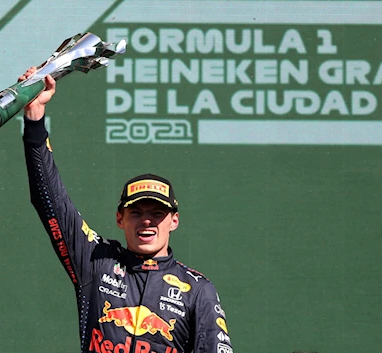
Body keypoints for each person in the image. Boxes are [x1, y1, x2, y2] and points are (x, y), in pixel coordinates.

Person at [20, 67, 233, 353]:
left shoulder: (197, 290)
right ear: (120, 219)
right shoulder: (97, 263)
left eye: (157, 213)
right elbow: (50, 201)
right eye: (136, 212)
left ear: (174, 221)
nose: (147, 221)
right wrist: (35, 121)